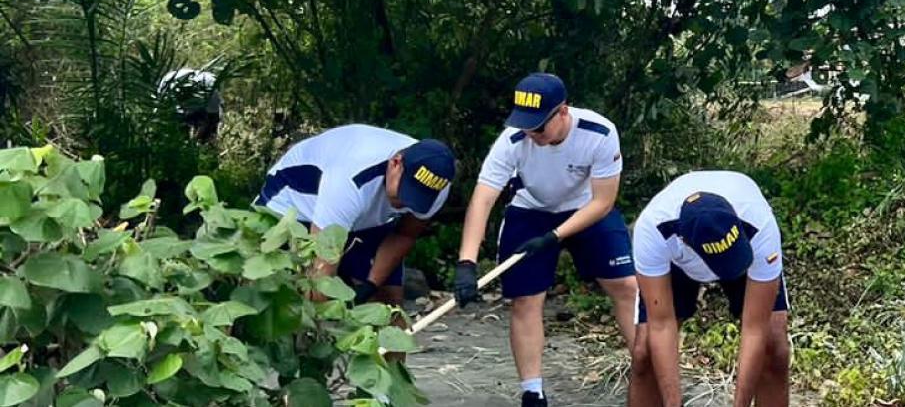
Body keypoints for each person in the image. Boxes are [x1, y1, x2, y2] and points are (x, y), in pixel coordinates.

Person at [454, 73, 644, 407]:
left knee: (627, 286)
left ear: (563, 112)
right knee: (526, 299)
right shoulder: (512, 141)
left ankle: (647, 372)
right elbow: (482, 199)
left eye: (539, 126)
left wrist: (554, 237)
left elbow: (604, 202)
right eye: (525, 125)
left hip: (588, 208)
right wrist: (466, 264)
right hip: (530, 211)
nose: (532, 134)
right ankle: (533, 392)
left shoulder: (599, 134)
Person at [632, 171, 792, 407]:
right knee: (644, 353)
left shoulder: (759, 224)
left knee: (774, 346)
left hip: (747, 248)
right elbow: (661, 324)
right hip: (677, 261)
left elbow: (755, 328)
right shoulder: (653, 229)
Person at [254, 125, 457, 306]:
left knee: (388, 304)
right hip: (294, 206)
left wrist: (371, 284)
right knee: (289, 294)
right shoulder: (351, 178)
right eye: (406, 191)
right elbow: (321, 267)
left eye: (416, 198)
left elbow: (405, 235)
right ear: (396, 163)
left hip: (365, 218)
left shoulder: (436, 185)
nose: (405, 203)